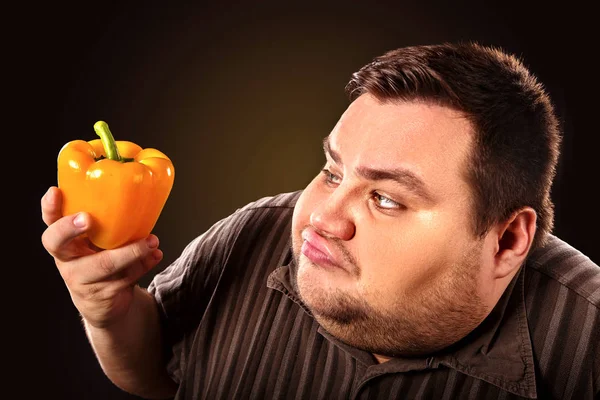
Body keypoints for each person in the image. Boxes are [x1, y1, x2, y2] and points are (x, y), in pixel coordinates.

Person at [41, 42, 599, 400]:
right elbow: (160, 373)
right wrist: (109, 312)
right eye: (332, 172)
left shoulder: (586, 342)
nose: (319, 220)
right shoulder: (253, 233)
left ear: (506, 240)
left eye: (385, 199)